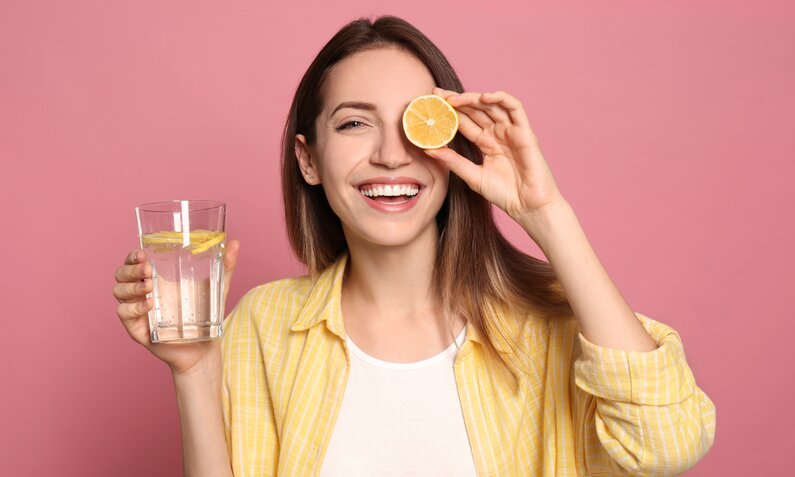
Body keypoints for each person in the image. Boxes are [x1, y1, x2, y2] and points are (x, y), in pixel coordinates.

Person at [113, 15, 715, 477]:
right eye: (354, 123)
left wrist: (546, 214)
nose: (391, 154)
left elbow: (666, 447)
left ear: (453, 142)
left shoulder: (555, 325)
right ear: (309, 160)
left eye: (414, 122)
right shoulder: (263, 327)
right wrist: (193, 372)